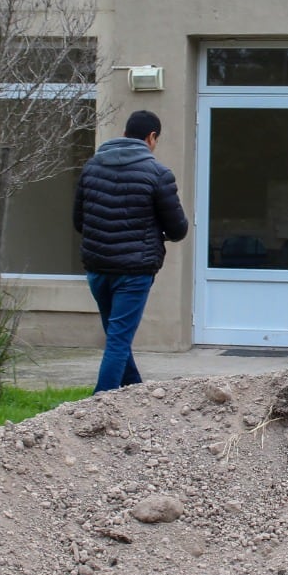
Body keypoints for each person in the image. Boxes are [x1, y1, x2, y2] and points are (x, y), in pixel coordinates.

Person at [73, 109, 189, 393]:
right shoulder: (158, 174)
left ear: (124, 133)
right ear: (151, 137)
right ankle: (99, 405)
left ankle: (136, 395)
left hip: (97, 268)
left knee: (117, 336)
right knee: (118, 341)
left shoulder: (91, 167)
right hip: (134, 272)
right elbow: (177, 230)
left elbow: (79, 222)